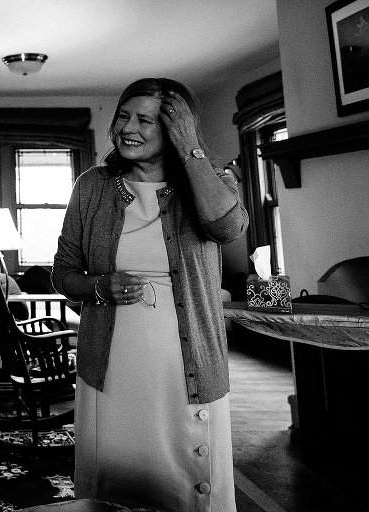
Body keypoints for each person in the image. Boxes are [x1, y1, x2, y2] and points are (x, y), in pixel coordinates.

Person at [52, 78, 248, 512]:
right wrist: (99, 287)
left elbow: (227, 228)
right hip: (110, 366)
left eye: (145, 120)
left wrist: (191, 149)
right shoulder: (92, 186)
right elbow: (62, 272)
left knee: (187, 482)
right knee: (115, 482)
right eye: (123, 115)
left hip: (188, 365)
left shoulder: (210, 181)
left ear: (175, 130)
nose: (127, 127)